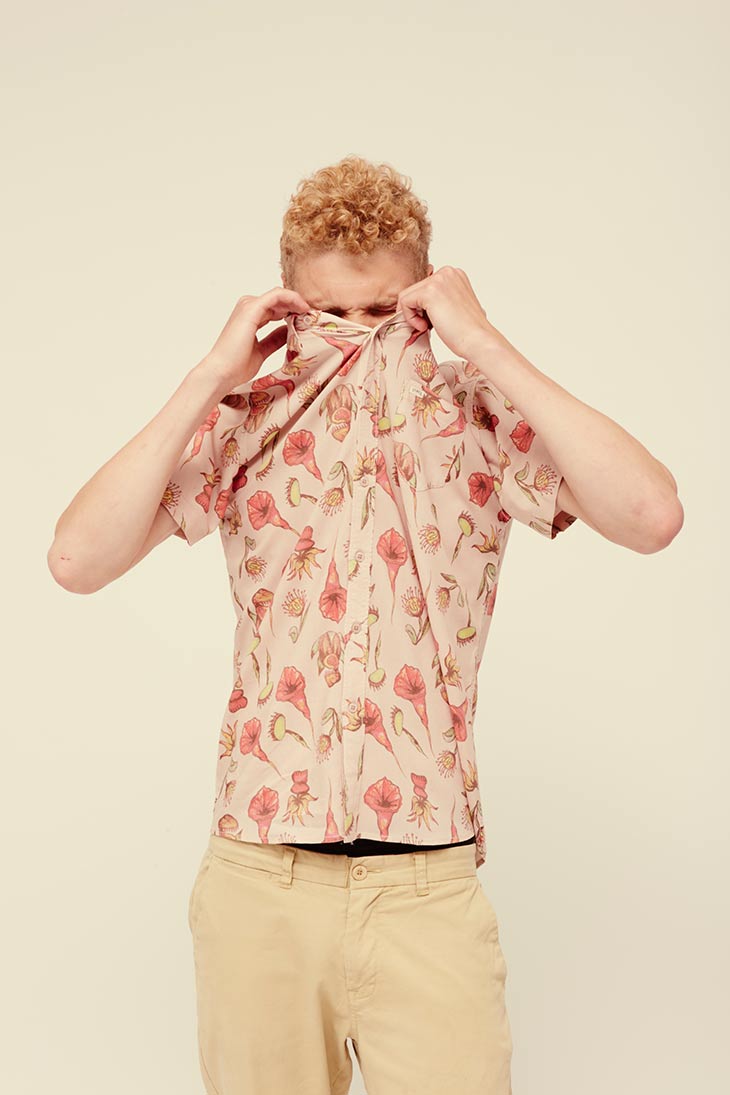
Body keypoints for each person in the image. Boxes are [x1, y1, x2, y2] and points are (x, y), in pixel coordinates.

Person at [48, 154, 683, 1095]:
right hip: (260, 880)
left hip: (427, 886)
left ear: (424, 298)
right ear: (286, 308)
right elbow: (76, 559)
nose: (356, 338)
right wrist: (209, 375)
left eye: (383, 312)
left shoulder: (477, 415)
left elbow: (652, 514)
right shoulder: (244, 419)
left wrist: (487, 342)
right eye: (329, 313)